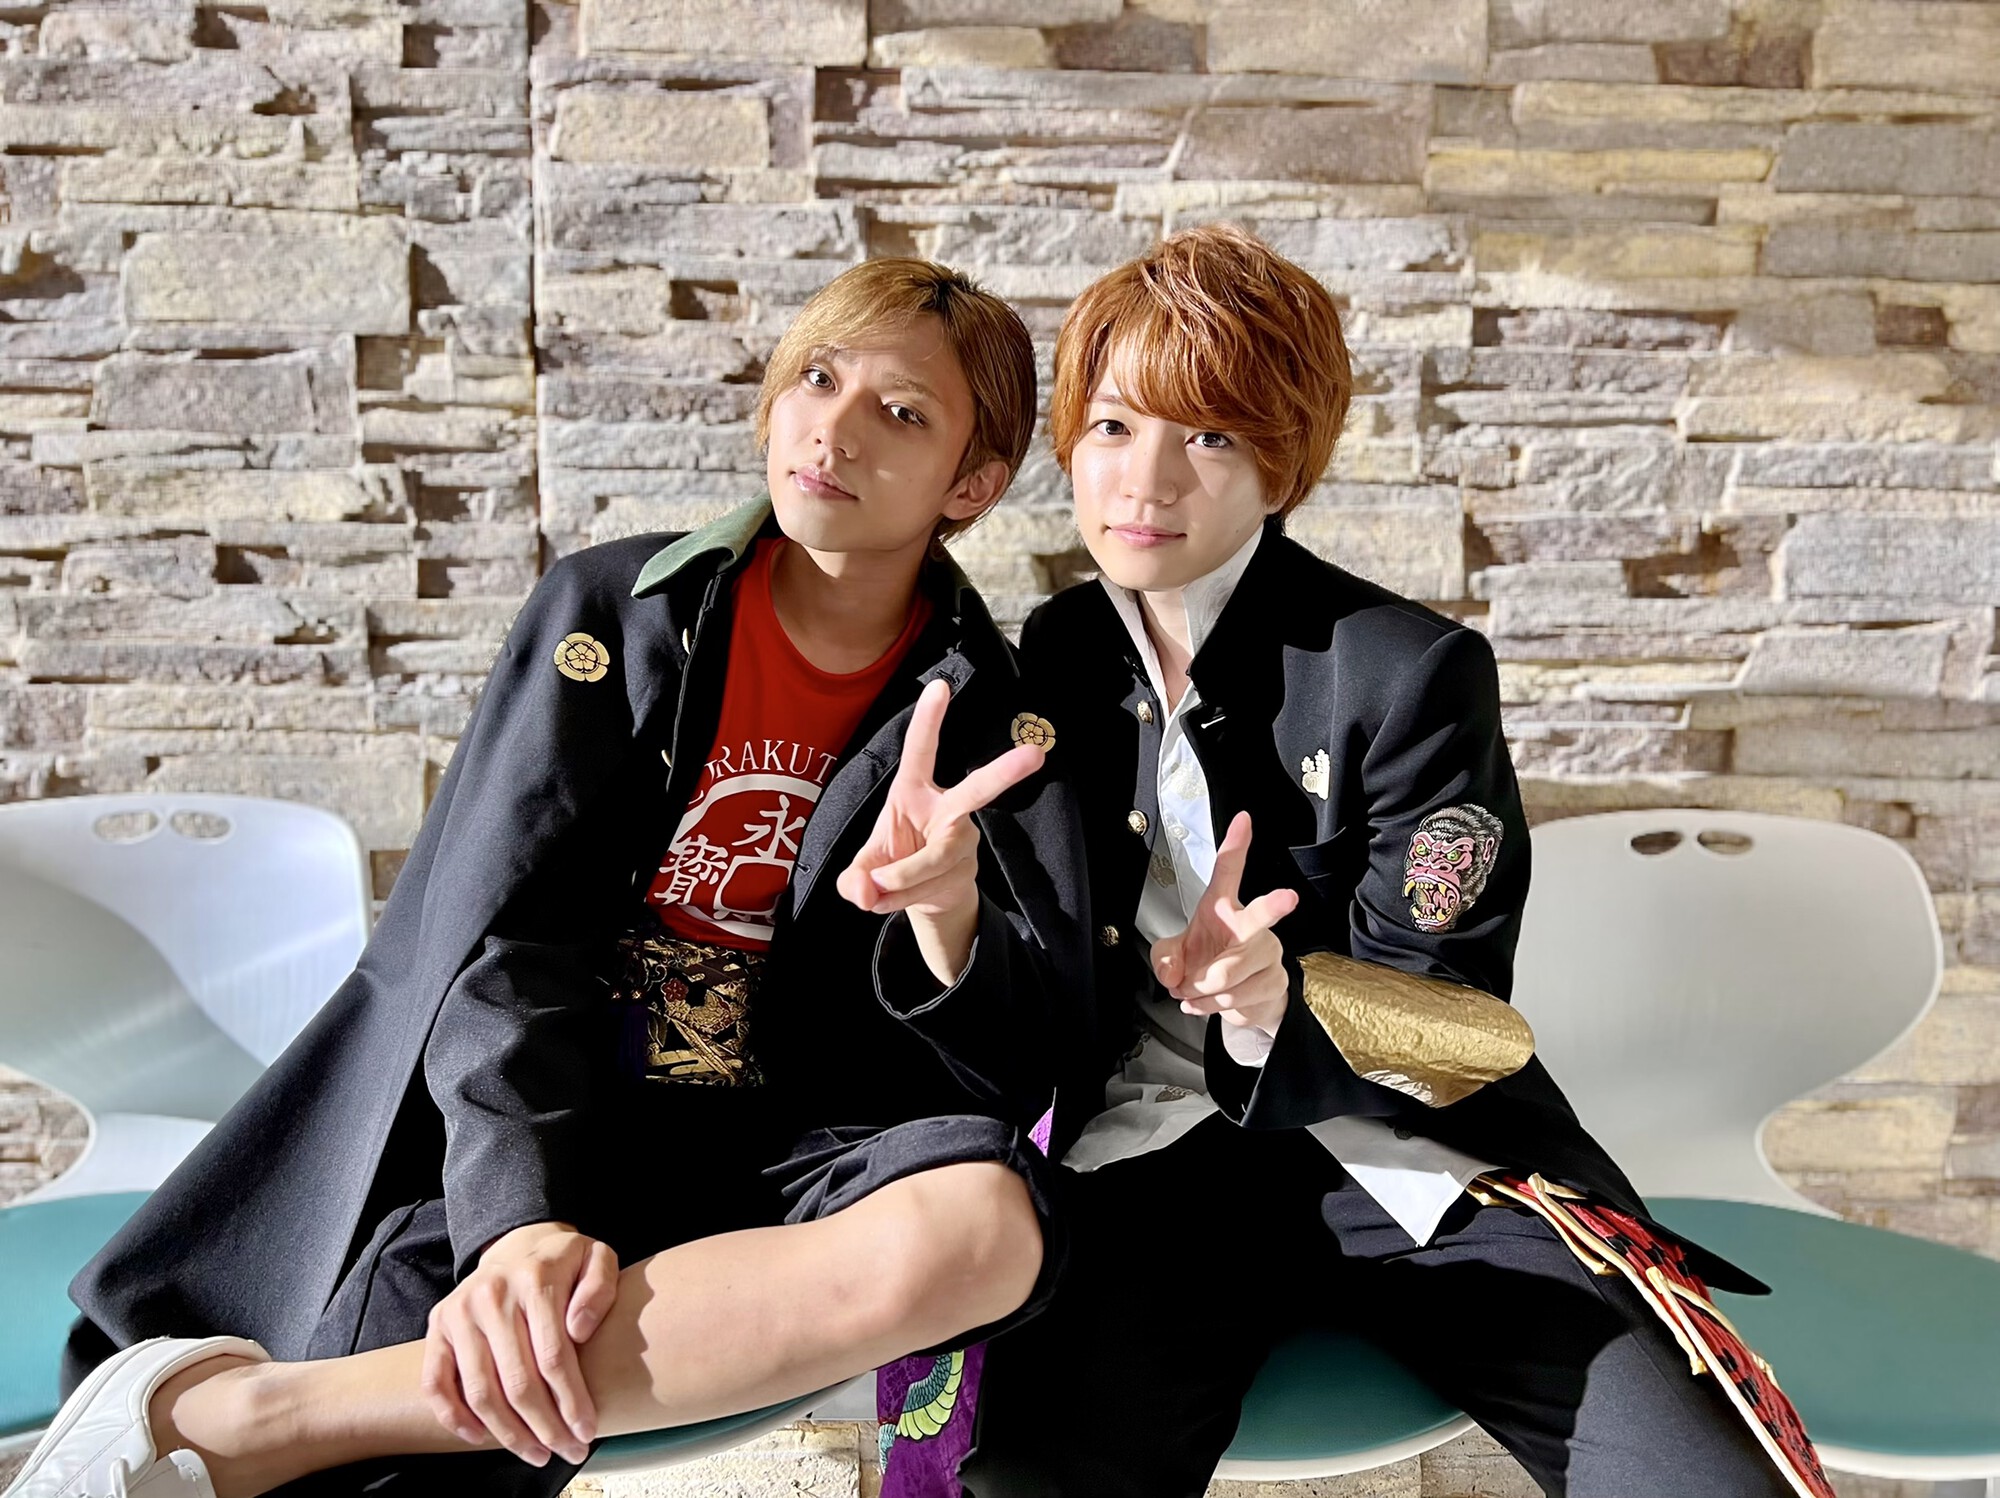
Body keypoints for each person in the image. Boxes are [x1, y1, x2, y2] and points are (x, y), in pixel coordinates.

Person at [12, 258, 1089, 1498]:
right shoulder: (617, 615)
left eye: (899, 413)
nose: (832, 430)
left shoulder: (996, 719)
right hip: (549, 1109)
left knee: (988, 1226)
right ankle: (263, 1411)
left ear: (971, 483)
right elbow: (498, 937)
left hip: (780, 1143)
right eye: (815, 378)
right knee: (451, 1380)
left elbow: (1022, 1061)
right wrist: (520, 1219)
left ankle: (248, 1413)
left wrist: (946, 919)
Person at [957, 225, 1831, 1498]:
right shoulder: (1059, 649)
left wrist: (1272, 999)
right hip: (1152, 1167)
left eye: (1209, 436)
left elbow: (1455, 1027)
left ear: (1282, 462)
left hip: (1411, 1163)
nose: (1144, 480)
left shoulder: (1406, 669)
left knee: (1703, 1484)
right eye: (1111, 427)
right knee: (1035, 1475)